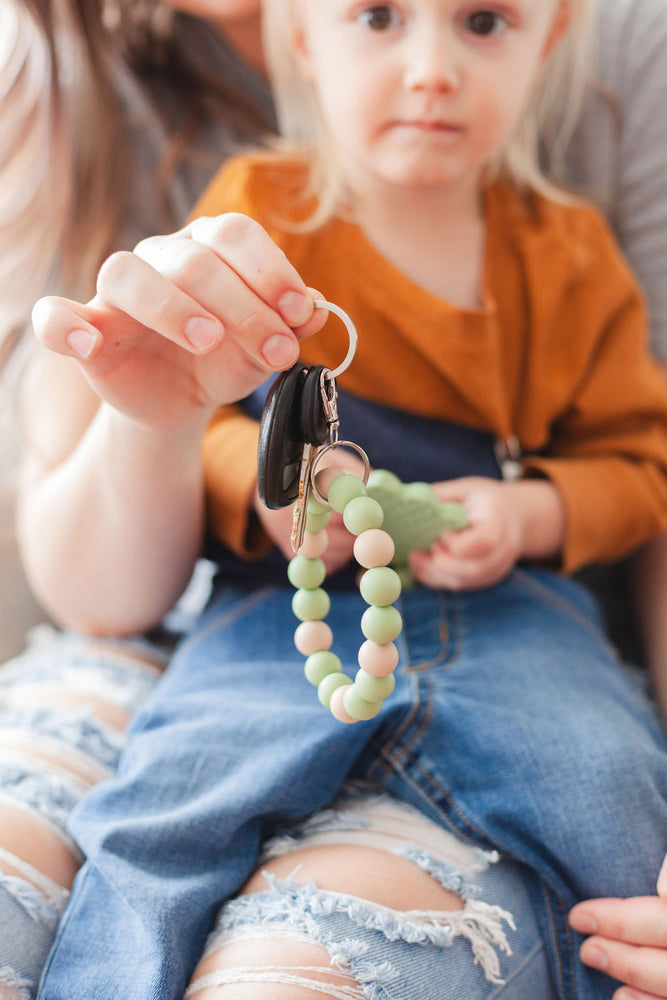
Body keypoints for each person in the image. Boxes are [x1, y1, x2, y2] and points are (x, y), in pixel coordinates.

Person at [22, 0, 667, 997]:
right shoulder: (253, 218)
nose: (431, 69)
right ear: (301, 41)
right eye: (375, 18)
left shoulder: (570, 255)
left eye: (483, 23)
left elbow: (640, 459)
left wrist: (534, 510)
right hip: (274, 613)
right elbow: (205, 427)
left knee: (615, 803)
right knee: (166, 811)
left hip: (523, 619)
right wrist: (275, 494)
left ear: (548, 39)